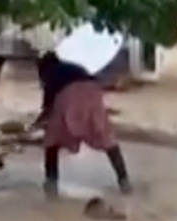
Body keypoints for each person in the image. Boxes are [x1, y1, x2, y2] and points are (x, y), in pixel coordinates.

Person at [33, 51, 132, 197]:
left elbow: (48, 106)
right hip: (93, 93)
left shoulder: (49, 73)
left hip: (70, 96)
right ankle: (124, 181)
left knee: (51, 141)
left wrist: (37, 124)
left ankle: (51, 183)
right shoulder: (73, 67)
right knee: (106, 137)